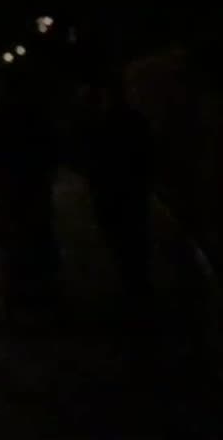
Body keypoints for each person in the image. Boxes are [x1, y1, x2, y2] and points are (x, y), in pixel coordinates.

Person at [0, 69, 61, 315]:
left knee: (15, 241)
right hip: (32, 184)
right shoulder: (37, 115)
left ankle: (20, 296)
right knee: (37, 238)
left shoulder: (2, 117)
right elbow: (51, 148)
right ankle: (42, 294)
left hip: (12, 186)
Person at [85, 73, 153, 308]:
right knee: (134, 241)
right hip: (131, 191)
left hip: (114, 191)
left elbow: (95, 159)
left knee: (121, 242)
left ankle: (132, 289)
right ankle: (138, 289)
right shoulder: (134, 121)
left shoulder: (104, 124)